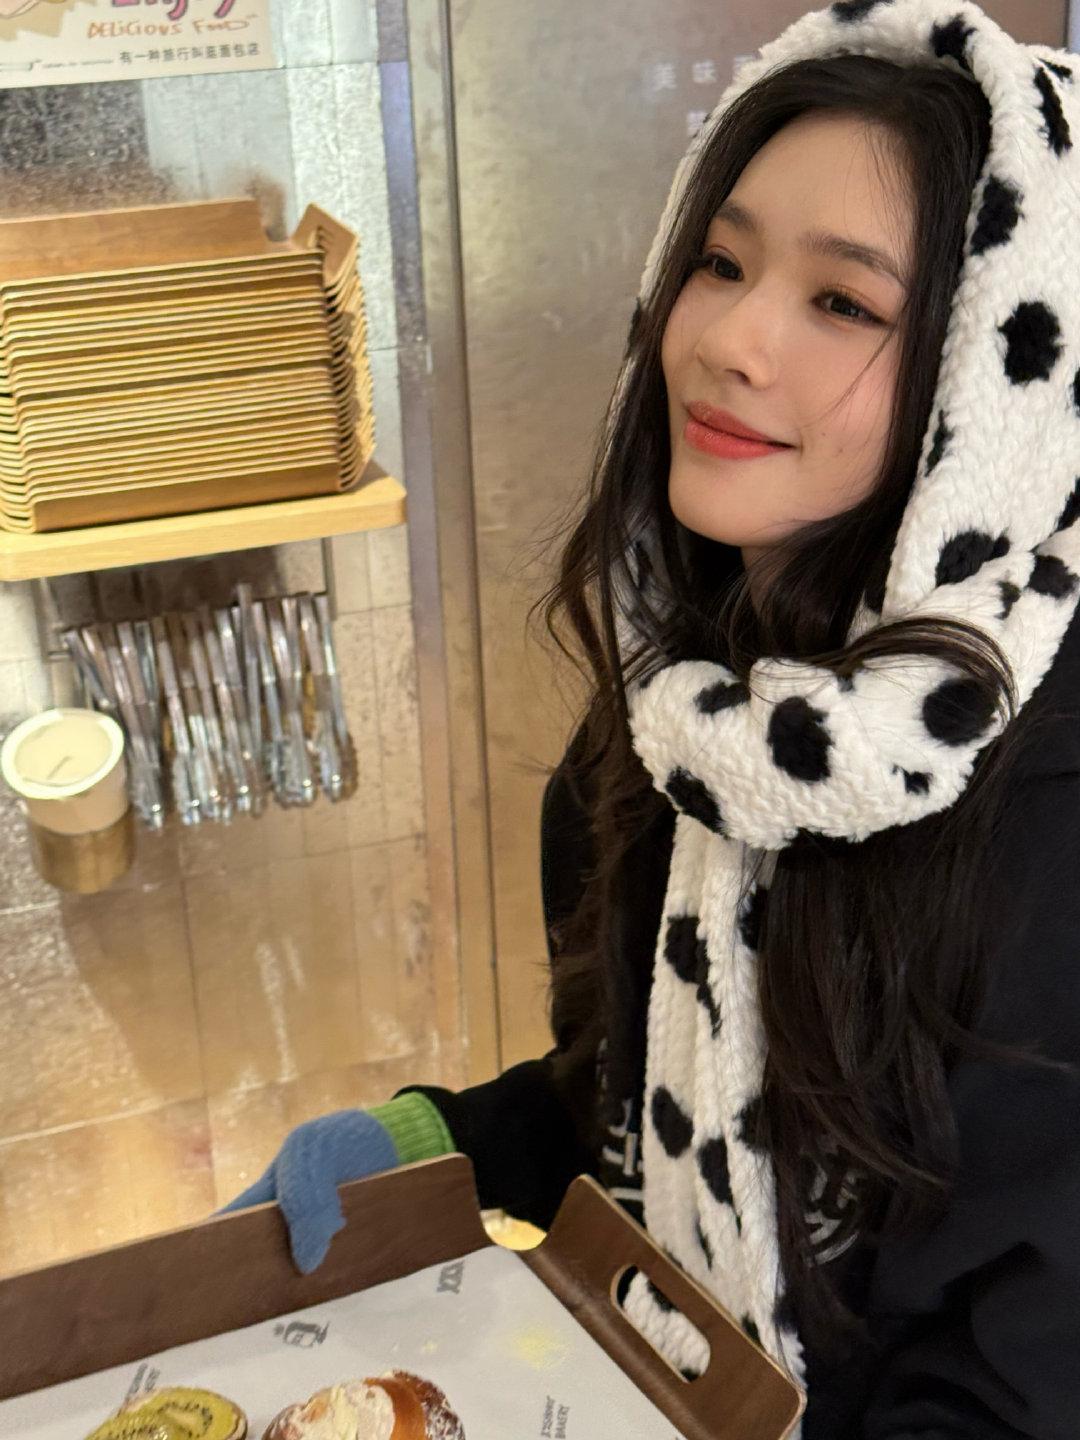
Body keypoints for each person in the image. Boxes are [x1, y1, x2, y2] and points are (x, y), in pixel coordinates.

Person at [222, 2, 1080, 1434]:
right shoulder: (682, 717)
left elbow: (1022, 1385)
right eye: (721, 262)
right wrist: (441, 1142)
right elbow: (642, 1110)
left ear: (992, 383)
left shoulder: (1044, 824)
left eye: (845, 303)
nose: (730, 338)